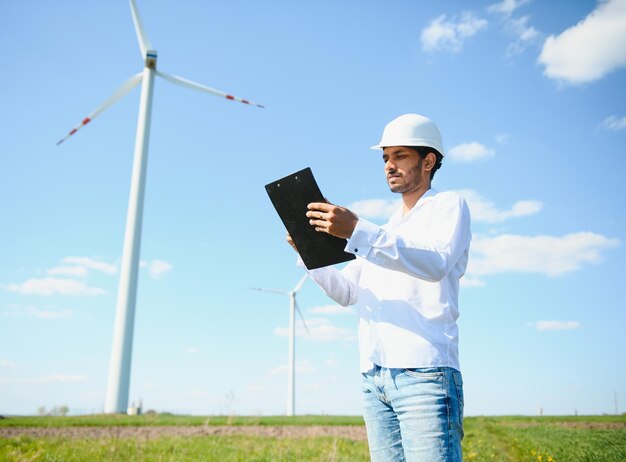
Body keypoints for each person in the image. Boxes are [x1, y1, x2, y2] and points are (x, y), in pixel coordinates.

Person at [287, 114, 471, 461]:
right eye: (385, 158)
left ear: (428, 161)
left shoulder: (448, 206)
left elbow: (435, 263)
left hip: (425, 375)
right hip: (374, 378)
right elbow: (348, 293)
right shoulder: (383, 229)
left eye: (400, 155)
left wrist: (356, 231)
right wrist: (308, 254)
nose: (389, 165)